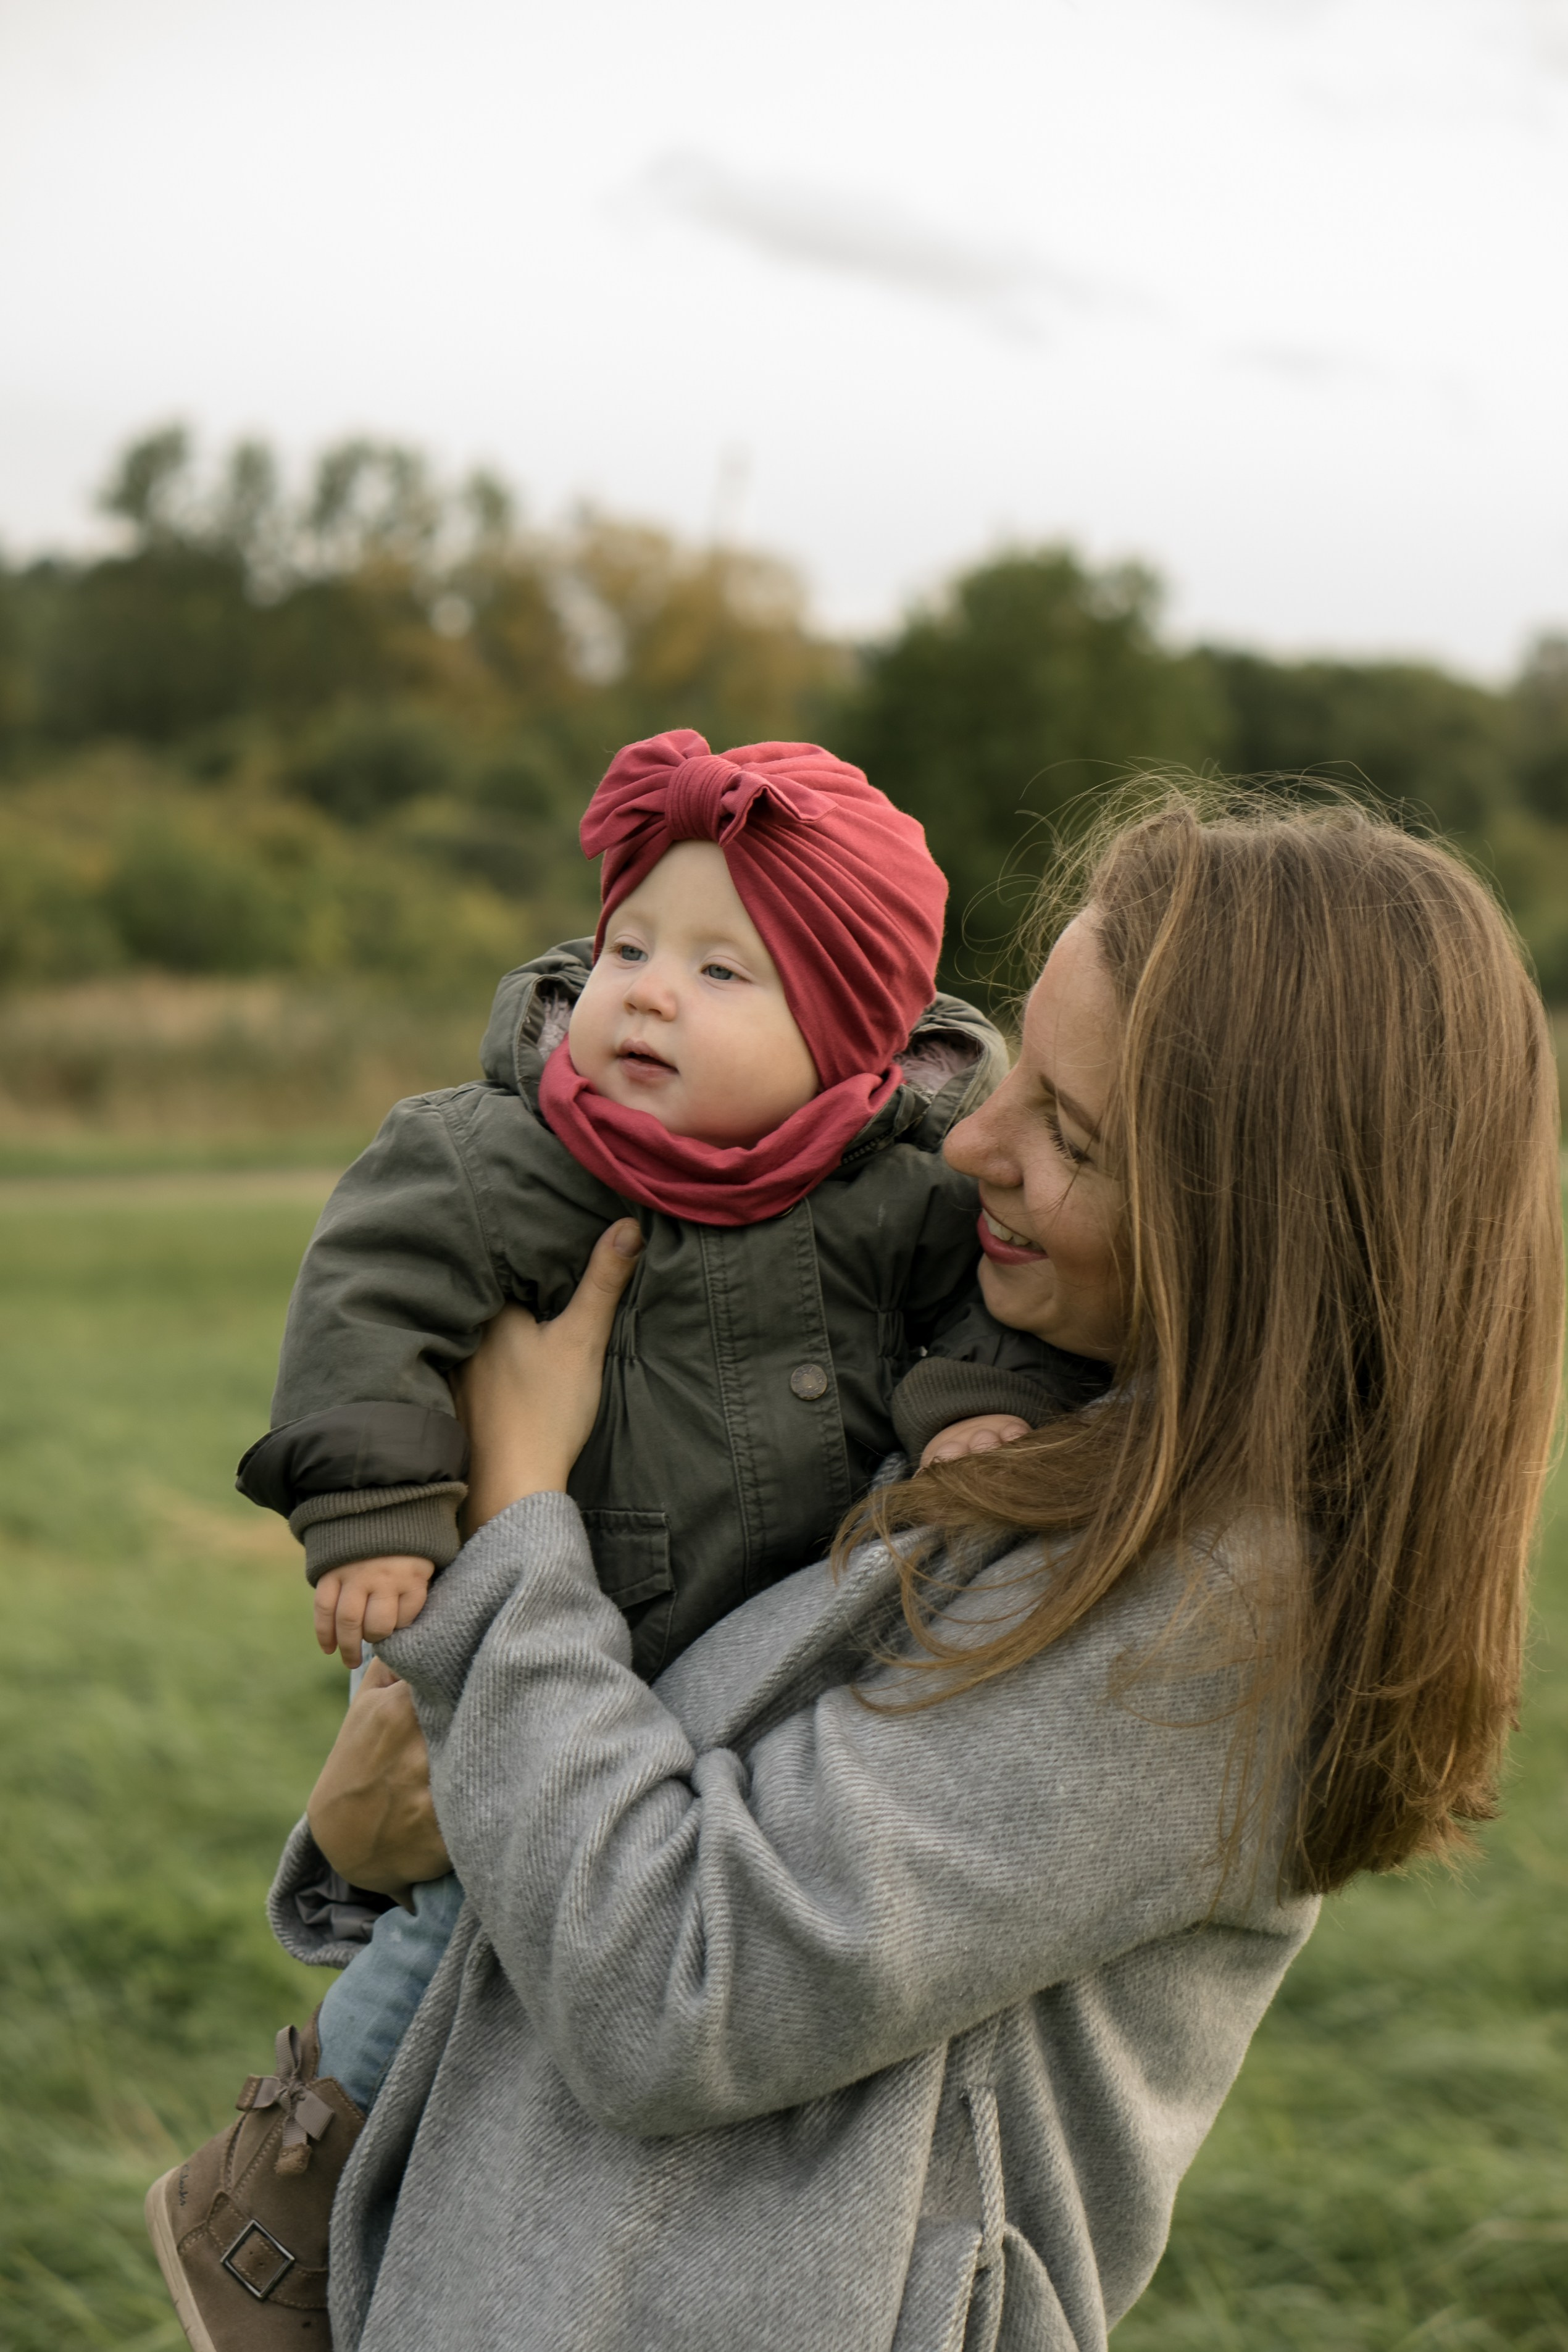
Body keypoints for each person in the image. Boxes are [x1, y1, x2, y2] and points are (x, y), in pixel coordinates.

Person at [152, 793, 1562, 2352]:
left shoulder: (1217, 1617)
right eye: (1016, 1074)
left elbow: (676, 1983)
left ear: (1270, 1232)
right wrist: (372, 1827)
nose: (968, 1141)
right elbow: (671, 1730)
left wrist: (512, 1515)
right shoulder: (1013, 1396)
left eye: (1070, 1135)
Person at [145, 730, 1104, 2352]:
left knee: (592, 1933)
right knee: (462, 1922)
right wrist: (377, 1520)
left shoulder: (901, 1197)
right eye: (630, 950)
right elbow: (366, 1307)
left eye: (723, 972)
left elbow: (988, 1316)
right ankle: (287, 2172)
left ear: (850, 1037)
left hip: (760, 1664)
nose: (647, 992)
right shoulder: (502, 1159)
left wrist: (969, 1408)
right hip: (566, 1618)